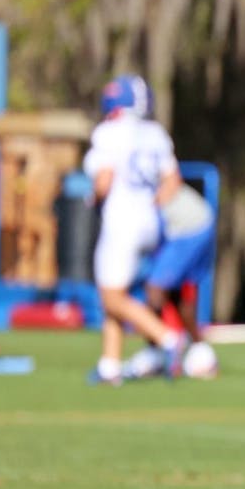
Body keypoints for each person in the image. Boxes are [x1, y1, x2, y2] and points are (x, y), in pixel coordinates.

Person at [82, 74, 190, 385]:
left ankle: (168, 338)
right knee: (118, 290)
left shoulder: (109, 133)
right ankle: (110, 365)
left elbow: (104, 181)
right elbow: (172, 183)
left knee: (111, 296)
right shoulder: (155, 133)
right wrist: (150, 206)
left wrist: (95, 196)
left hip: (122, 220)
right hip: (149, 220)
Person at [122, 181, 220, 380]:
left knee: (155, 289)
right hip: (196, 222)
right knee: (177, 293)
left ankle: (159, 350)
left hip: (186, 228)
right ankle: (200, 353)